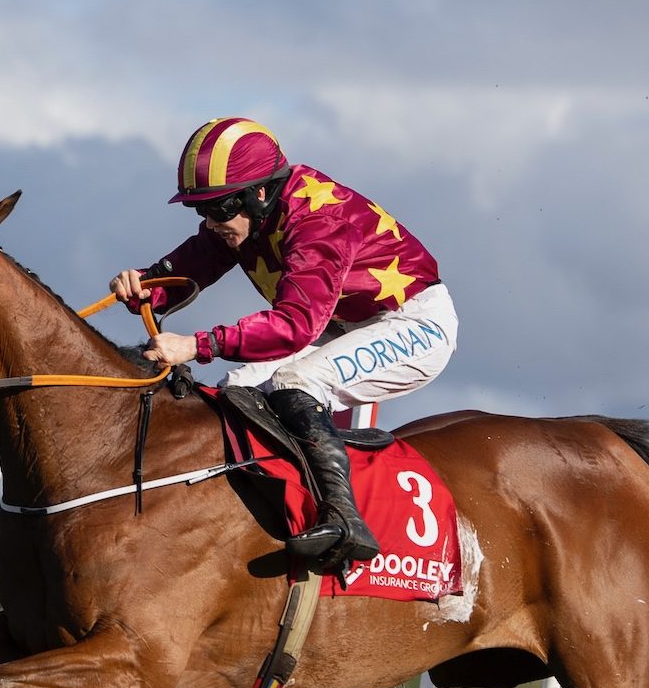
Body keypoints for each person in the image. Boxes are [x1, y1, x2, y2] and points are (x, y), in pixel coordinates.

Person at [111, 117, 457, 565]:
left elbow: (295, 325)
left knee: (298, 381)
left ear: (260, 192)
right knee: (236, 389)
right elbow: (195, 262)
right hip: (341, 324)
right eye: (201, 210)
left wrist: (196, 345)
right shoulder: (245, 214)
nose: (210, 221)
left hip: (414, 323)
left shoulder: (319, 221)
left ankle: (344, 520)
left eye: (218, 209)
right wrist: (147, 284)